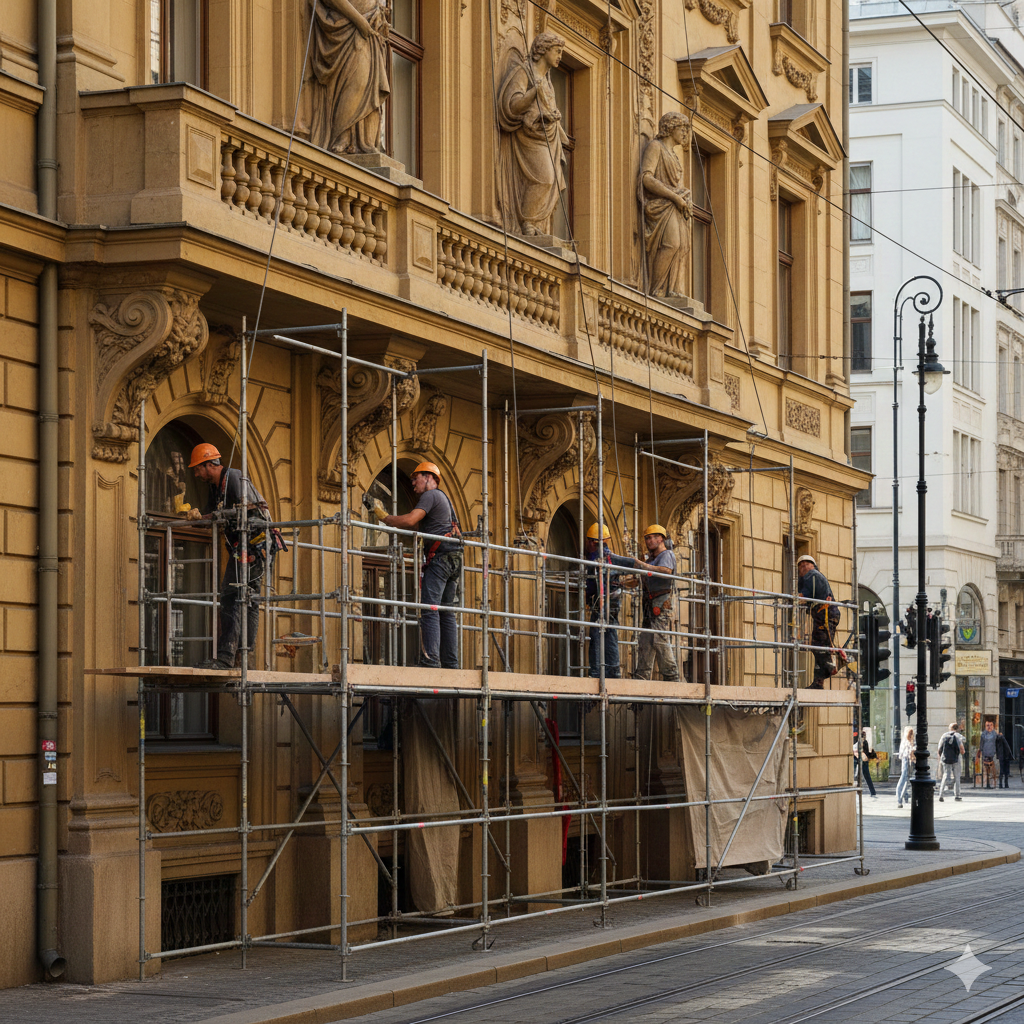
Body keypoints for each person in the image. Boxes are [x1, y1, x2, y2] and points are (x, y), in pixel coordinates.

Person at [186, 443, 275, 670]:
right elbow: (211, 516)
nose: (196, 474)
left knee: (230, 596)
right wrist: (197, 519)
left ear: (209, 464)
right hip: (243, 548)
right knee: (248, 600)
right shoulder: (216, 488)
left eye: (197, 469)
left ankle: (227, 657)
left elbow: (250, 510)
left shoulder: (234, 477)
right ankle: (244, 657)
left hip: (253, 546)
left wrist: (216, 516)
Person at [382, 462, 462, 670]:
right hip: (453, 558)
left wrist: (384, 517)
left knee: (429, 608)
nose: (412, 483)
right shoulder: (444, 499)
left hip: (440, 558)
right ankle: (451, 664)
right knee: (446, 611)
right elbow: (418, 524)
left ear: (428, 477)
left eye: (415, 478)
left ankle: (431, 660)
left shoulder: (430, 495)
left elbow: (410, 521)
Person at [497, 32, 569, 236]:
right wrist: (533, 93)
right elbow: (513, 105)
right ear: (543, 50)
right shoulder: (525, 72)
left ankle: (534, 223)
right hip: (529, 136)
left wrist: (553, 116)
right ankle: (527, 222)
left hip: (547, 136)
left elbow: (545, 107)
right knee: (545, 178)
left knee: (550, 179)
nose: (560, 56)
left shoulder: (547, 81)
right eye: (557, 51)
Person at [308, 0, 390, 156]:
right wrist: (359, 20)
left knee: (368, 87)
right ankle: (343, 136)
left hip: (370, 28)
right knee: (356, 82)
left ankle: (364, 141)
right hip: (349, 27)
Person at [639, 112, 693, 298]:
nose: (685, 133)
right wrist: (675, 197)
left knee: (682, 247)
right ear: (670, 127)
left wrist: (683, 196)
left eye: (686, 129)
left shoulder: (675, 156)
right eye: (682, 128)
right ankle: (657, 290)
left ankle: (672, 289)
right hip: (662, 206)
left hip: (675, 207)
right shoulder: (656, 147)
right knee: (671, 244)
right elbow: (646, 178)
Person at [584, 523, 639, 679]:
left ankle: (598, 672)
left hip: (605, 599)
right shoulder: (607, 557)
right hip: (610, 599)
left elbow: (591, 583)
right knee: (609, 632)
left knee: (598, 633)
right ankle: (612, 671)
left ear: (593, 542)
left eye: (588, 541)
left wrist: (588, 597)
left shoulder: (601, 557)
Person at [633, 524, 679, 682]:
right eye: (647, 538)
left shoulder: (666, 555)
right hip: (649, 603)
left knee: (659, 638)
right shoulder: (651, 559)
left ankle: (672, 677)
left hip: (661, 603)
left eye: (652, 537)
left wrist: (644, 566)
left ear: (661, 539)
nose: (649, 541)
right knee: (646, 640)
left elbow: (666, 571)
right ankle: (642, 677)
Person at [797, 555, 841, 689]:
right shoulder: (811, 578)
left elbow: (805, 595)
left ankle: (830, 666)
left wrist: (795, 599)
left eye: (807, 564)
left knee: (819, 645)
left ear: (813, 566)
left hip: (825, 615)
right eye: (801, 566)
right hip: (824, 615)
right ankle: (818, 682)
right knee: (820, 646)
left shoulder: (812, 575)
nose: (804, 567)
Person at [936, 722, 965, 801]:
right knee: (957, 777)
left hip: (945, 759)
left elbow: (939, 749)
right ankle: (957, 795)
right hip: (956, 759)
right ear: (957, 729)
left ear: (950, 728)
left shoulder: (944, 736)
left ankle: (941, 794)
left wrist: (941, 758)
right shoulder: (958, 736)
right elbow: (962, 750)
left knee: (945, 775)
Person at [854, 729, 876, 798]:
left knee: (865, 775)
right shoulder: (861, 742)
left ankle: (872, 791)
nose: (864, 738)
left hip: (862, 760)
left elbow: (866, 752)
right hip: (860, 759)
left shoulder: (864, 742)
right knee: (862, 775)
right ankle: (871, 791)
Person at [896, 725, 915, 809]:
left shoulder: (904, 741)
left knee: (906, 778)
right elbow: (910, 752)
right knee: (904, 778)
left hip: (906, 759)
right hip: (907, 760)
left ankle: (905, 796)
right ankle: (900, 798)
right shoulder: (908, 741)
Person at [978, 719, 999, 789]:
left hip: (993, 754)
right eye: (987, 725)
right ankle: (987, 783)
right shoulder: (983, 734)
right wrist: (980, 752)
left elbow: (997, 744)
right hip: (985, 754)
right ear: (985, 726)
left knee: (993, 770)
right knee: (986, 770)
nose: (989, 727)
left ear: (993, 726)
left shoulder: (995, 734)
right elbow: (981, 744)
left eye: (990, 725)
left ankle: (994, 783)